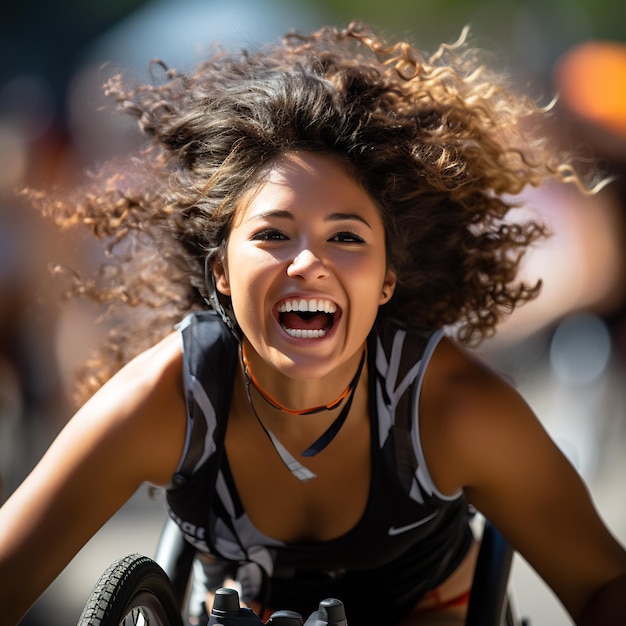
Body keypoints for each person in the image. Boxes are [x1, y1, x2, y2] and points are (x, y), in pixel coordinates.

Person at [0, 21, 625, 626]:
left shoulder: (453, 410)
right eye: (272, 233)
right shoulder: (166, 400)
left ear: (387, 279)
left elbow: (602, 584)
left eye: (346, 237)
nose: (309, 263)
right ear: (220, 271)